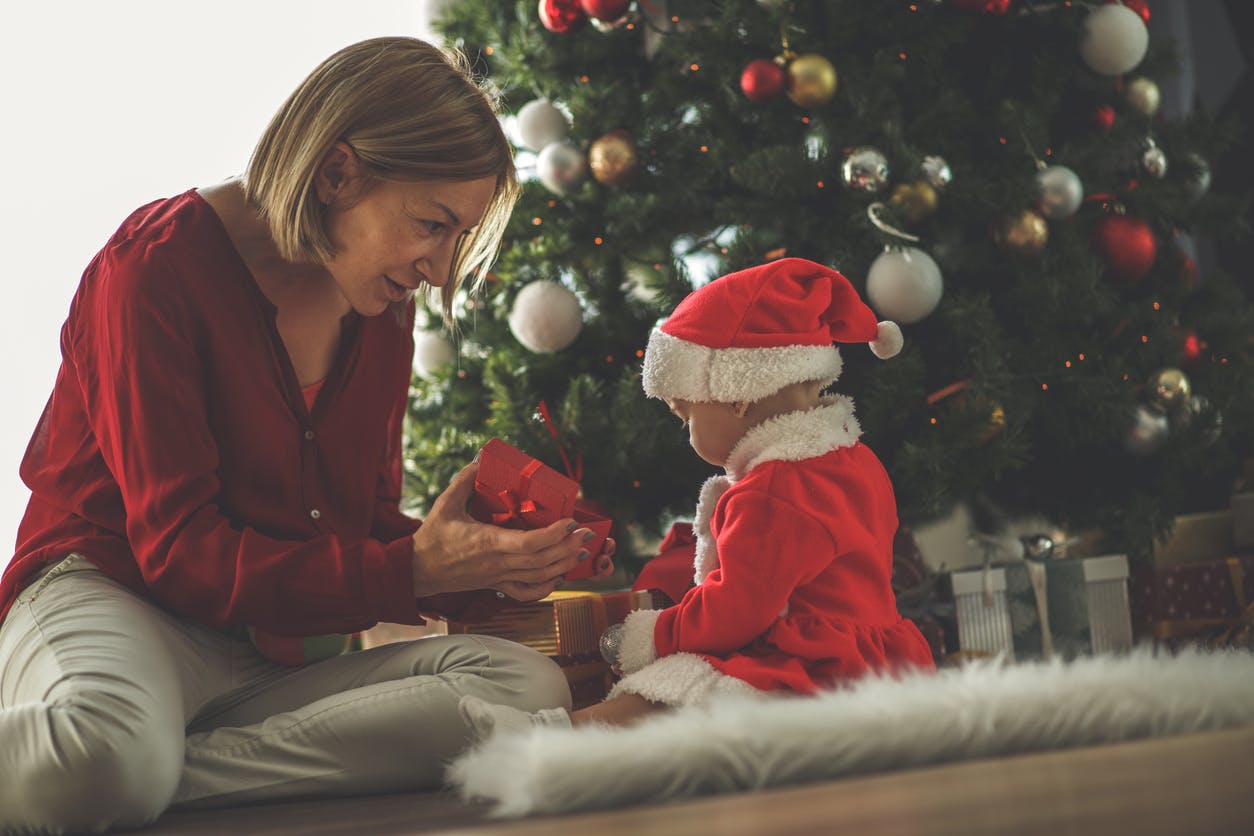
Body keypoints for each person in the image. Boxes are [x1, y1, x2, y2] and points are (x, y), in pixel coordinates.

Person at [0, 36, 614, 834]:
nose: (439, 268)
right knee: (98, 754)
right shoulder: (153, 268)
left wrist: (482, 565)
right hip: (117, 596)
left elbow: (350, 528)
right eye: (432, 224)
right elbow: (182, 555)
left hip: (263, 653)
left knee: (521, 689)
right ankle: (122, 762)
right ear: (337, 173)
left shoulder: (381, 309)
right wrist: (415, 571)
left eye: (456, 237)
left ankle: (155, 773)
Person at [460, 257, 936, 737]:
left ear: (737, 394)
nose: (687, 433)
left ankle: (549, 732)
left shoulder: (776, 488)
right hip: (875, 657)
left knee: (676, 686)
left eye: (686, 417)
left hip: (817, 667)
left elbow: (737, 610)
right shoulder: (852, 459)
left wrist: (655, 634)